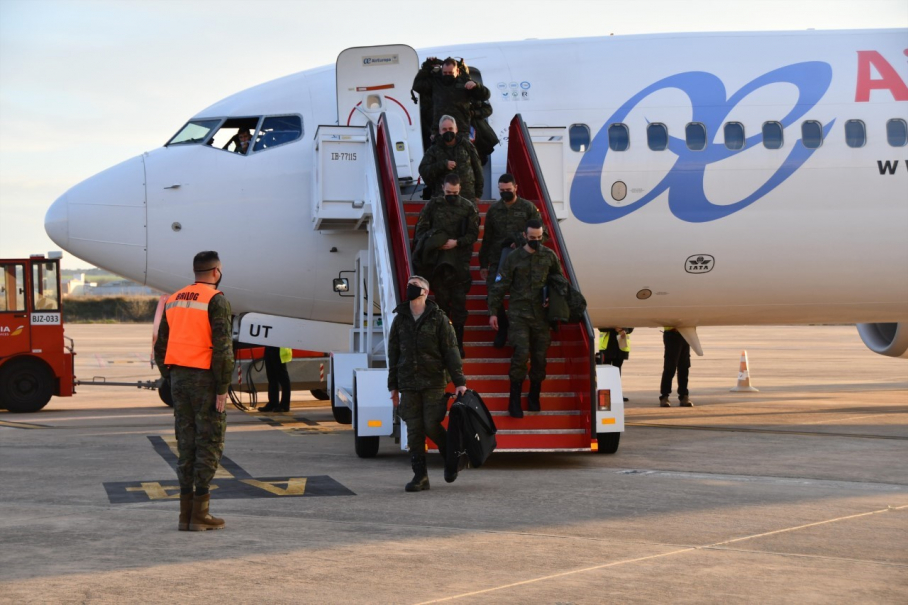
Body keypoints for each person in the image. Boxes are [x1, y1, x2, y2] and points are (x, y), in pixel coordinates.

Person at [154, 251, 234, 531]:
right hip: (205, 381)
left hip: (178, 379)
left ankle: (184, 514)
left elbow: (160, 346)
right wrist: (222, 387)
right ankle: (200, 512)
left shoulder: (174, 299)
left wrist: (171, 376)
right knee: (209, 441)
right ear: (216, 272)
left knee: (185, 442)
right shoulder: (216, 300)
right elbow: (223, 348)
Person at [388, 275, 467, 492]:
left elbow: (451, 350)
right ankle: (420, 476)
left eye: (414, 286)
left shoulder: (439, 319)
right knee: (414, 429)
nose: (409, 288)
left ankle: (452, 460)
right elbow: (393, 353)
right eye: (408, 285)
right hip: (408, 382)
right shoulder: (400, 319)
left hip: (433, 381)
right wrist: (392, 386)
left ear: (425, 292)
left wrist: (459, 381)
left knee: (431, 424)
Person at [488, 219, 565, 418]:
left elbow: (559, 281)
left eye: (539, 238)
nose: (536, 241)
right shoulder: (513, 258)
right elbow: (500, 285)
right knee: (521, 353)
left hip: (541, 316)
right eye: (532, 238)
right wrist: (494, 312)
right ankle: (513, 401)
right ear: (524, 236)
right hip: (519, 314)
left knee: (539, 358)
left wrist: (552, 298)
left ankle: (534, 396)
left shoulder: (549, 256)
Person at [413, 173, 480, 358]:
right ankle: (444, 343)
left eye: (456, 192)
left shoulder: (468, 207)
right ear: (443, 188)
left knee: (459, 305)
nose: (452, 195)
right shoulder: (433, 206)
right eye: (449, 192)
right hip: (438, 264)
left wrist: (456, 242)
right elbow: (421, 231)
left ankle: (458, 344)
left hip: (459, 263)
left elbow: (473, 235)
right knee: (441, 305)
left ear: (460, 190)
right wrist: (435, 241)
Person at [479, 174, 541, 348]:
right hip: (498, 259)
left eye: (508, 190)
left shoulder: (528, 208)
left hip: (522, 259)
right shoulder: (494, 210)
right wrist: (483, 264)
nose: (505, 193)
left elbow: (541, 236)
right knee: (492, 291)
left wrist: (520, 241)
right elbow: (487, 238)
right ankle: (502, 326)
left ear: (515, 187)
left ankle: (520, 333)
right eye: (502, 190)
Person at [412, 57, 490, 139]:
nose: (447, 75)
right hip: (440, 129)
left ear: (457, 71)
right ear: (441, 71)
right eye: (445, 73)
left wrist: (476, 86)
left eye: (450, 73)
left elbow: (485, 96)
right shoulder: (435, 82)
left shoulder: (464, 82)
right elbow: (418, 86)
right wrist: (427, 68)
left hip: (461, 129)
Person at [418, 116, 484, 204]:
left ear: (456, 129)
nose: (448, 131)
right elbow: (423, 170)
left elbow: (478, 169)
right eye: (444, 129)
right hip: (443, 200)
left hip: (466, 199)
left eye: (450, 128)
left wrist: (478, 194)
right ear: (440, 131)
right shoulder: (434, 149)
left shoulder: (466, 145)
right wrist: (443, 165)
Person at [660, 327, 694, 407]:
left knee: (684, 367)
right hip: (672, 333)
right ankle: (664, 396)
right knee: (670, 367)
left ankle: (684, 395)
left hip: (685, 333)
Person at [598, 327, 633, 402]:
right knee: (605, 373)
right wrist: (614, 329)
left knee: (617, 371)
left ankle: (616, 394)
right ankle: (605, 395)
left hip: (620, 346)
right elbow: (601, 327)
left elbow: (631, 326)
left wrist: (624, 330)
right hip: (607, 346)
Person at [259, 346, 291, 413]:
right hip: (269, 346)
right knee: (271, 377)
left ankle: (284, 405)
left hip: (279, 348)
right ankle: (273, 403)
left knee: (283, 378)